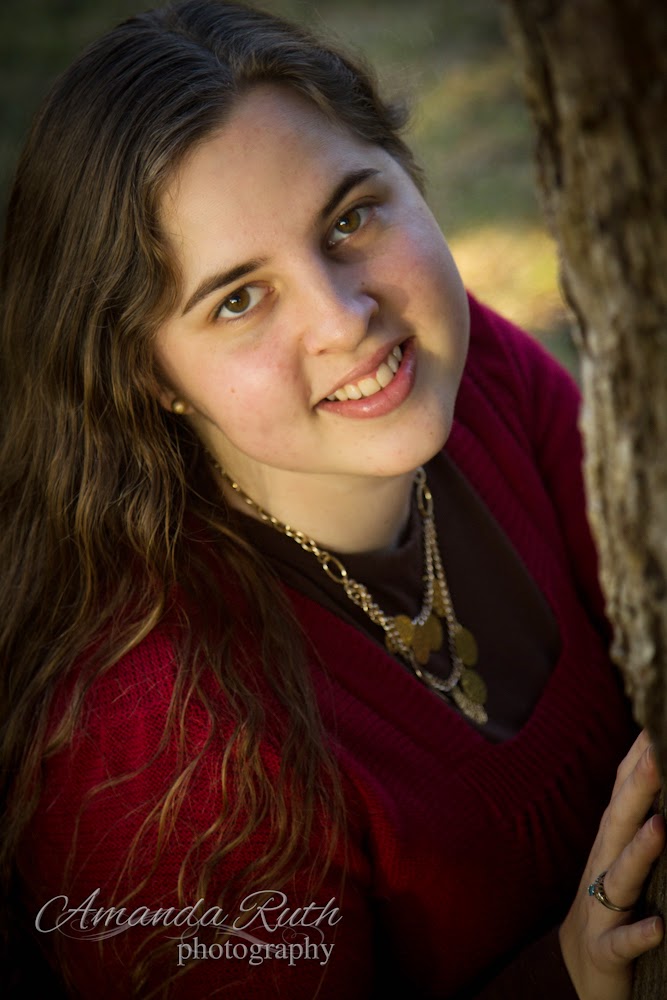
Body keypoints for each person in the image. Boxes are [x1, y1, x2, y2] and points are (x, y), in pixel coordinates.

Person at [0, 1, 663, 997]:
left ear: (409, 177)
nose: (346, 319)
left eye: (350, 218)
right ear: (149, 374)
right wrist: (566, 976)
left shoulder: (475, 372)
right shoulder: (159, 745)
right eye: (238, 298)